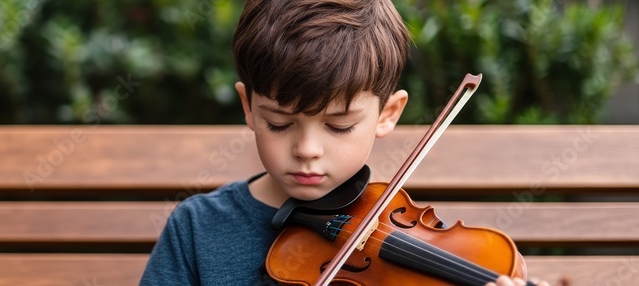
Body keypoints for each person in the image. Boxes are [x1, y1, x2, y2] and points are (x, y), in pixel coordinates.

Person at [140, 0, 550, 285]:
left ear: (387, 114)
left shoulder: (407, 244)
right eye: (280, 123)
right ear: (249, 107)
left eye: (338, 127)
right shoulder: (197, 228)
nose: (307, 150)